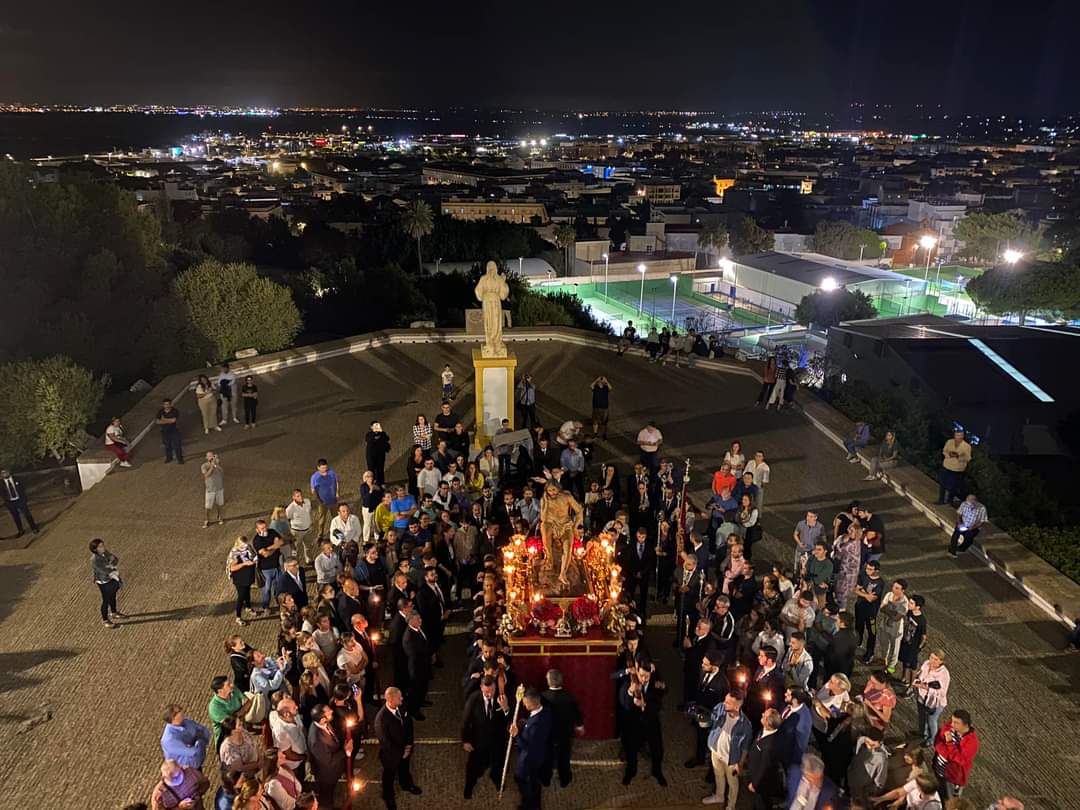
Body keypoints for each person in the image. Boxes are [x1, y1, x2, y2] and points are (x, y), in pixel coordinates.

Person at [618, 660, 668, 786]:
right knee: (631, 750)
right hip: (634, 724)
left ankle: (657, 772)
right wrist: (630, 693)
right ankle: (631, 772)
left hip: (651, 722)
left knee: (657, 750)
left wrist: (645, 705)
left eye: (647, 676)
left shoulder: (656, 684)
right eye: (641, 675)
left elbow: (661, 696)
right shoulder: (629, 683)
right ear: (637, 671)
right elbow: (623, 704)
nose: (644, 679)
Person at [461, 675, 511, 799]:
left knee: (498, 764)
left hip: (497, 741)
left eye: (492, 691)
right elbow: (465, 721)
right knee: (473, 766)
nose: (489, 694)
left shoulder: (502, 698)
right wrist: (466, 740)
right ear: (481, 688)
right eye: (487, 691)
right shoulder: (473, 699)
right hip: (478, 741)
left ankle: (497, 780)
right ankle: (469, 786)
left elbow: (509, 720)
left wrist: (506, 709)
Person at [702, 689, 752, 808]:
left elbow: (745, 747)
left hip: (731, 759)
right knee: (718, 775)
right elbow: (711, 718)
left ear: (736, 707)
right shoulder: (720, 708)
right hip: (716, 751)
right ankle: (719, 796)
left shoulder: (745, 725)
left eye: (728, 703)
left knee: (732, 783)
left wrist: (739, 764)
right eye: (725, 700)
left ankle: (731, 805)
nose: (724, 704)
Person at [374, 687, 422, 810]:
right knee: (389, 776)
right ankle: (388, 796)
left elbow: (409, 725)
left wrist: (409, 745)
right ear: (390, 700)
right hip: (391, 755)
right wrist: (402, 752)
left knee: (405, 769)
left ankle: (406, 785)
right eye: (399, 697)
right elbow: (386, 743)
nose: (402, 698)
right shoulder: (381, 719)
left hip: (405, 748)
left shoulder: (402, 706)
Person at [511, 688, 553, 810]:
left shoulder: (534, 725)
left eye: (525, 703)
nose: (524, 704)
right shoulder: (546, 712)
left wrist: (516, 735)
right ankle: (536, 805)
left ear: (532, 704)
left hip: (529, 760)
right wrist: (525, 724)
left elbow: (527, 747)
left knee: (520, 779)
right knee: (535, 783)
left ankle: (528, 805)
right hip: (540, 756)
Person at [541, 669, 584, 788]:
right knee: (564, 758)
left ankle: (545, 779)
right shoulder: (569, 697)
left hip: (548, 735)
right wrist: (580, 726)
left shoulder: (543, 697)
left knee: (547, 758)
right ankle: (564, 779)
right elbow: (577, 713)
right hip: (565, 734)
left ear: (549, 681)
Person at [307, 703, 350, 809]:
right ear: (322, 720)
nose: (331, 711)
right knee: (327, 797)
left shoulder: (323, 724)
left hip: (333, 770)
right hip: (327, 774)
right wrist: (345, 751)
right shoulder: (316, 740)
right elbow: (328, 760)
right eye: (328, 711)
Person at [934, 710, 979, 800]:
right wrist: (948, 753)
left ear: (965, 725)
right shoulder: (949, 727)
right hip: (938, 769)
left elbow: (961, 759)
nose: (952, 724)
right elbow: (937, 742)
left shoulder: (972, 743)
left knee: (950, 801)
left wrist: (949, 743)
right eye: (952, 720)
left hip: (952, 778)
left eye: (956, 723)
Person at [744, 708, 783, 810]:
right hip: (756, 775)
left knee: (762, 804)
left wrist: (755, 785)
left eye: (764, 716)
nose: (761, 714)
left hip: (763, 784)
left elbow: (764, 768)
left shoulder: (769, 745)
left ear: (768, 724)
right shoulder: (764, 731)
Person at [914, 649, 951, 745]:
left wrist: (926, 688)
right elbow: (920, 673)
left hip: (935, 703)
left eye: (935, 659)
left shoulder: (944, 674)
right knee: (921, 717)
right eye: (931, 657)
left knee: (931, 721)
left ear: (941, 661)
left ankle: (932, 739)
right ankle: (922, 734)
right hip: (921, 697)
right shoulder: (926, 664)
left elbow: (942, 693)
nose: (932, 661)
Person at [161, 704, 210, 770]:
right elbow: (192, 752)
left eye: (180, 709)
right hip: (187, 770)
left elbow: (204, 730)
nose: (182, 712)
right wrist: (199, 740)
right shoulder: (169, 739)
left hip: (197, 761)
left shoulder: (186, 722)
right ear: (173, 718)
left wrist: (199, 740)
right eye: (178, 711)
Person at [90, 538, 125, 628]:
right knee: (105, 600)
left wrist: (112, 564)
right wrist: (111, 566)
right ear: (95, 549)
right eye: (100, 546)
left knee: (113, 595)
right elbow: (104, 570)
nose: (103, 547)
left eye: (103, 545)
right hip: (103, 581)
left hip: (111, 578)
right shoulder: (94, 560)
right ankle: (105, 620)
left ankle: (114, 612)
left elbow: (116, 559)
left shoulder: (105, 552)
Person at [847, 727, 888, 803]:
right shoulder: (861, 741)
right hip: (848, 783)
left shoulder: (881, 760)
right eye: (867, 742)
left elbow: (879, 783)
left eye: (872, 745)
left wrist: (865, 793)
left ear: (880, 743)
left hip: (859, 794)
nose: (869, 746)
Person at [854, 561, 884, 663]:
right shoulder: (863, 575)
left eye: (870, 569)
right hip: (859, 607)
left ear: (877, 571)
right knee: (858, 628)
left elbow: (872, 598)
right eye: (867, 568)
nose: (867, 570)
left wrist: (862, 592)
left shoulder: (880, 583)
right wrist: (866, 595)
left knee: (872, 632)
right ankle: (857, 644)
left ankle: (870, 653)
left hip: (871, 612)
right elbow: (856, 590)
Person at [878, 578, 909, 671]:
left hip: (895, 629)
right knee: (884, 644)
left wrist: (887, 609)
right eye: (894, 587)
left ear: (902, 590)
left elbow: (897, 618)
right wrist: (892, 612)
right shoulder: (889, 595)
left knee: (894, 648)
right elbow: (881, 609)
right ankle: (884, 660)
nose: (893, 589)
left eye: (896, 588)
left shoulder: (904, 603)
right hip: (884, 625)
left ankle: (891, 667)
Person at [938, 429, 972, 505]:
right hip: (946, 466)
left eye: (961, 436)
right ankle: (941, 500)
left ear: (963, 436)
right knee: (942, 483)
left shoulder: (967, 446)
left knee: (952, 486)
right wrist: (949, 455)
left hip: (957, 469)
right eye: (957, 435)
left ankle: (950, 501)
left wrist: (958, 456)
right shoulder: (949, 442)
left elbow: (968, 458)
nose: (959, 437)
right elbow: (944, 451)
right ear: (954, 435)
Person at [310, 459, 339, 540]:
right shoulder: (314, 477)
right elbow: (313, 490)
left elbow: (336, 482)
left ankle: (337, 533)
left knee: (336, 518)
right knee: (322, 520)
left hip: (333, 500)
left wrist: (337, 493)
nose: (324, 470)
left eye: (325, 467)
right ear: (318, 468)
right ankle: (320, 535)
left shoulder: (332, 473)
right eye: (322, 468)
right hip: (322, 502)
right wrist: (318, 498)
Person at [285, 489, 315, 565]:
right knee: (297, 549)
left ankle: (309, 559)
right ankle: (296, 563)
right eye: (298, 496)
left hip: (308, 529)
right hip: (297, 532)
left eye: (301, 495)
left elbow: (309, 513)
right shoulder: (290, 508)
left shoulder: (307, 501)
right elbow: (288, 518)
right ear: (294, 497)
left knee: (308, 546)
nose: (300, 497)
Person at [791, 511, 823, 578]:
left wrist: (817, 550)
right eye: (807, 516)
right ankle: (797, 580)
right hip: (800, 550)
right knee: (797, 567)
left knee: (809, 569)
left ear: (816, 517)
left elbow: (823, 541)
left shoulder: (820, 527)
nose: (808, 518)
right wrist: (799, 543)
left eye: (811, 516)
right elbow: (795, 534)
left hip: (811, 552)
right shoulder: (801, 524)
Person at [201, 452, 225, 528]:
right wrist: (212, 466)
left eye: (212, 455)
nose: (211, 457)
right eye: (209, 456)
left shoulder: (217, 463)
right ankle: (207, 520)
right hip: (210, 489)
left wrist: (216, 464)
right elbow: (206, 476)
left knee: (220, 504)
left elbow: (222, 471)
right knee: (208, 507)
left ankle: (220, 517)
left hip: (219, 488)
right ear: (206, 458)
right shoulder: (204, 466)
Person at [156, 398, 184, 464]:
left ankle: (180, 459)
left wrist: (163, 420)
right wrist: (168, 420)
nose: (167, 406)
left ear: (171, 404)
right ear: (163, 405)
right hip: (165, 432)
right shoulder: (160, 412)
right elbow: (157, 421)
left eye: (168, 404)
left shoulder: (175, 411)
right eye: (165, 404)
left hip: (174, 431)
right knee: (167, 446)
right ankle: (169, 458)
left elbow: (174, 420)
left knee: (177, 445)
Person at [366, 421, 392, 486]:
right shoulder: (369, 434)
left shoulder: (382, 433)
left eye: (378, 425)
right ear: (371, 427)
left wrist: (381, 431)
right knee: (371, 469)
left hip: (381, 455)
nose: (377, 427)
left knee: (380, 469)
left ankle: (381, 482)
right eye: (375, 425)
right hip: (371, 455)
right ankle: (372, 482)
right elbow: (369, 440)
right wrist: (375, 433)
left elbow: (387, 438)